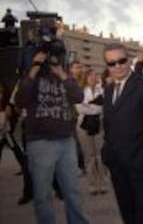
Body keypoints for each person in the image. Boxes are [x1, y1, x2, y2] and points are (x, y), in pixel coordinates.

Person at [15, 51, 88, 224]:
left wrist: (62, 74)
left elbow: (78, 96)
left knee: (72, 191)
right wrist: (34, 68)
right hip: (40, 142)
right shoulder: (31, 78)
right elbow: (20, 100)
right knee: (42, 194)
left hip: (66, 140)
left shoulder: (65, 78)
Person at [101, 42, 143, 224]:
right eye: (112, 63)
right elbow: (109, 123)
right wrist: (107, 154)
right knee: (127, 213)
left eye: (121, 61)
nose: (117, 66)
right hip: (117, 163)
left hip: (140, 162)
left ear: (129, 60)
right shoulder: (109, 88)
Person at [75, 69, 108, 195]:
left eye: (95, 75)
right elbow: (79, 109)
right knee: (89, 156)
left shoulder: (102, 91)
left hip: (99, 125)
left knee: (100, 155)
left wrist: (89, 106)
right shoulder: (80, 91)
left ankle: (103, 183)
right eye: (90, 76)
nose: (93, 78)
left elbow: (104, 108)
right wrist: (94, 107)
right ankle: (92, 184)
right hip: (84, 126)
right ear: (86, 78)